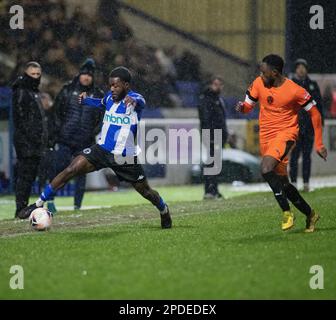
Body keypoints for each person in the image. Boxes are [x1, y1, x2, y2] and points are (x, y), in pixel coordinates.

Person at [17, 67, 172, 229]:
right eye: (110, 85)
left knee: (146, 192)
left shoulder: (134, 101)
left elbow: (141, 100)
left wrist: (133, 100)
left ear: (126, 85)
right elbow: (100, 103)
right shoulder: (109, 98)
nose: (112, 89)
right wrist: (86, 101)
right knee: (71, 169)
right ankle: (38, 203)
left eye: (116, 86)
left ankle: (163, 209)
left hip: (124, 157)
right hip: (101, 150)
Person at [236, 54, 327, 233]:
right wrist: (242, 108)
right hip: (266, 138)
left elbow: (315, 113)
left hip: (286, 135)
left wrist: (319, 143)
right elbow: (248, 106)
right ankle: (310, 214)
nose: (261, 76)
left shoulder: (294, 90)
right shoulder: (259, 83)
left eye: (264, 72)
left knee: (266, 169)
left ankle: (286, 212)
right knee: (283, 184)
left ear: (275, 73)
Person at [48, 59, 105, 213]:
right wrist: (59, 131)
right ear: (79, 75)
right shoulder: (67, 90)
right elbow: (56, 113)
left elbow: (103, 118)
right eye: (84, 74)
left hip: (84, 141)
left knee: (81, 173)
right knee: (57, 170)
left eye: (89, 75)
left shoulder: (98, 94)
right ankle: (50, 201)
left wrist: (93, 132)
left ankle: (77, 206)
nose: (86, 77)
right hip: (65, 139)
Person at [12, 62, 54, 218]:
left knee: (30, 176)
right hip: (27, 143)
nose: (36, 77)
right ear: (26, 73)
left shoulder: (32, 91)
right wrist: (30, 139)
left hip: (35, 142)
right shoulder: (22, 91)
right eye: (32, 74)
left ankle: (24, 208)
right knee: (25, 176)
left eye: (38, 74)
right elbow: (21, 119)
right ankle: (20, 208)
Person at [289, 59, 324, 192]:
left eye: (303, 67)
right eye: (299, 67)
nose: (301, 69)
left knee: (307, 156)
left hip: (309, 127)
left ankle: (306, 183)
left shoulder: (312, 85)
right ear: (296, 69)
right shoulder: (290, 85)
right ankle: (293, 182)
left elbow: (318, 106)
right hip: (294, 127)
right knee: (294, 156)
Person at [198, 76, 228, 199]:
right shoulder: (206, 100)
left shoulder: (216, 99)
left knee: (215, 163)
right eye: (216, 84)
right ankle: (209, 190)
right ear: (210, 85)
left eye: (220, 84)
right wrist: (209, 135)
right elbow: (206, 119)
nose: (218, 87)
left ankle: (214, 189)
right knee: (212, 163)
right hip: (212, 135)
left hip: (217, 135)